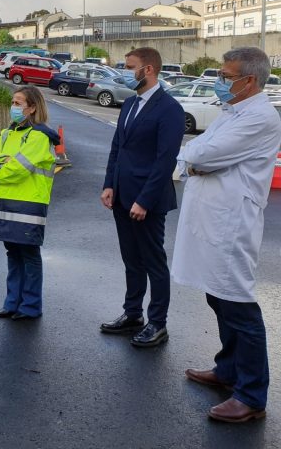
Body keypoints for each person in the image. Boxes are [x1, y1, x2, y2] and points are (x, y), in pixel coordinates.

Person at [171, 47, 281, 423]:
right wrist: (196, 159)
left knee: (237, 303)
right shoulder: (234, 111)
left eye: (225, 76)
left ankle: (251, 395)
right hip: (213, 218)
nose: (219, 82)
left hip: (232, 224)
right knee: (218, 298)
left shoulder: (261, 117)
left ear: (249, 81)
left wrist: (197, 160)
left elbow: (201, 156)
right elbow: (194, 150)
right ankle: (229, 369)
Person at [99, 47, 184, 347]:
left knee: (153, 262)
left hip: (147, 202)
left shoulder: (170, 109)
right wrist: (109, 184)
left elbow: (165, 161)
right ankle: (132, 313)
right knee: (131, 260)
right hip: (122, 197)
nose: (125, 70)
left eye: (129, 66)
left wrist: (144, 201)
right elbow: (117, 148)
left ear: (148, 70)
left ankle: (157, 323)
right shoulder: (130, 104)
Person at [0, 86, 59, 319]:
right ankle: (12, 302)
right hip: (6, 202)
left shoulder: (39, 136)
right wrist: (3, 161)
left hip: (28, 204)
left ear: (32, 108)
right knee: (12, 252)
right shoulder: (7, 133)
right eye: (13, 102)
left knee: (28, 254)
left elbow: (19, 168)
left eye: (18, 103)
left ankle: (30, 306)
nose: (13, 107)